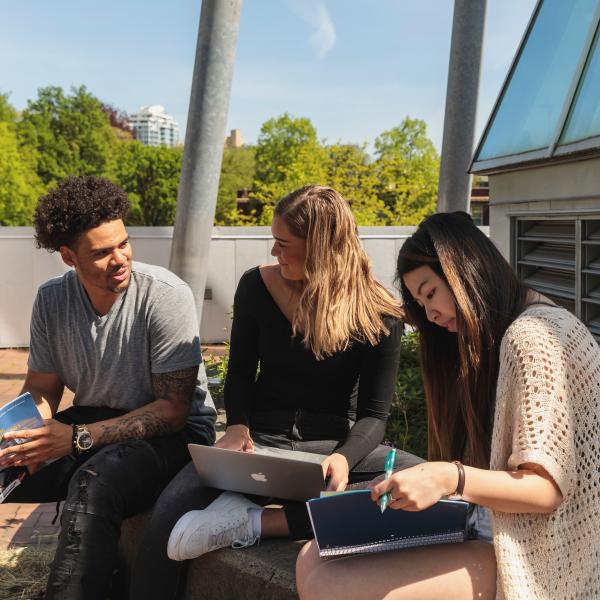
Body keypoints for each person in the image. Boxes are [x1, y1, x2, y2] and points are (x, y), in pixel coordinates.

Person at [131, 185, 422, 599]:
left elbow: (375, 416)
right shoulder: (256, 287)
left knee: (423, 485)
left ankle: (253, 523)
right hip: (258, 444)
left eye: (284, 243)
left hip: (331, 448)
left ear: (321, 247)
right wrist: (237, 428)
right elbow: (241, 374)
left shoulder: (380, 314)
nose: (274, 251)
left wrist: (344, 457)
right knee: (171, 510)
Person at [296, 211, 600, 600]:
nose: (431, 314)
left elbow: (546, 489)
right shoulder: (511, 329)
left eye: (430, 293)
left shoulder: (533, 338)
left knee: (329, 583)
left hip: (548, 560)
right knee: (312, 556)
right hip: (508, 532)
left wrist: (449, 478)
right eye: (421, 304)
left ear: (464, 266)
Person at [0, 176, 216, 600]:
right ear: (68, 256)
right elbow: (42, 388)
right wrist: (25, 435)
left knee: (93, 482)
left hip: (174, 435)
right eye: (101, 253)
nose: (119, 259)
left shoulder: (165, 295)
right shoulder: (51, 300)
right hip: (93, 422)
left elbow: (173, 410)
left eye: (123, 243)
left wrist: (76, 439)